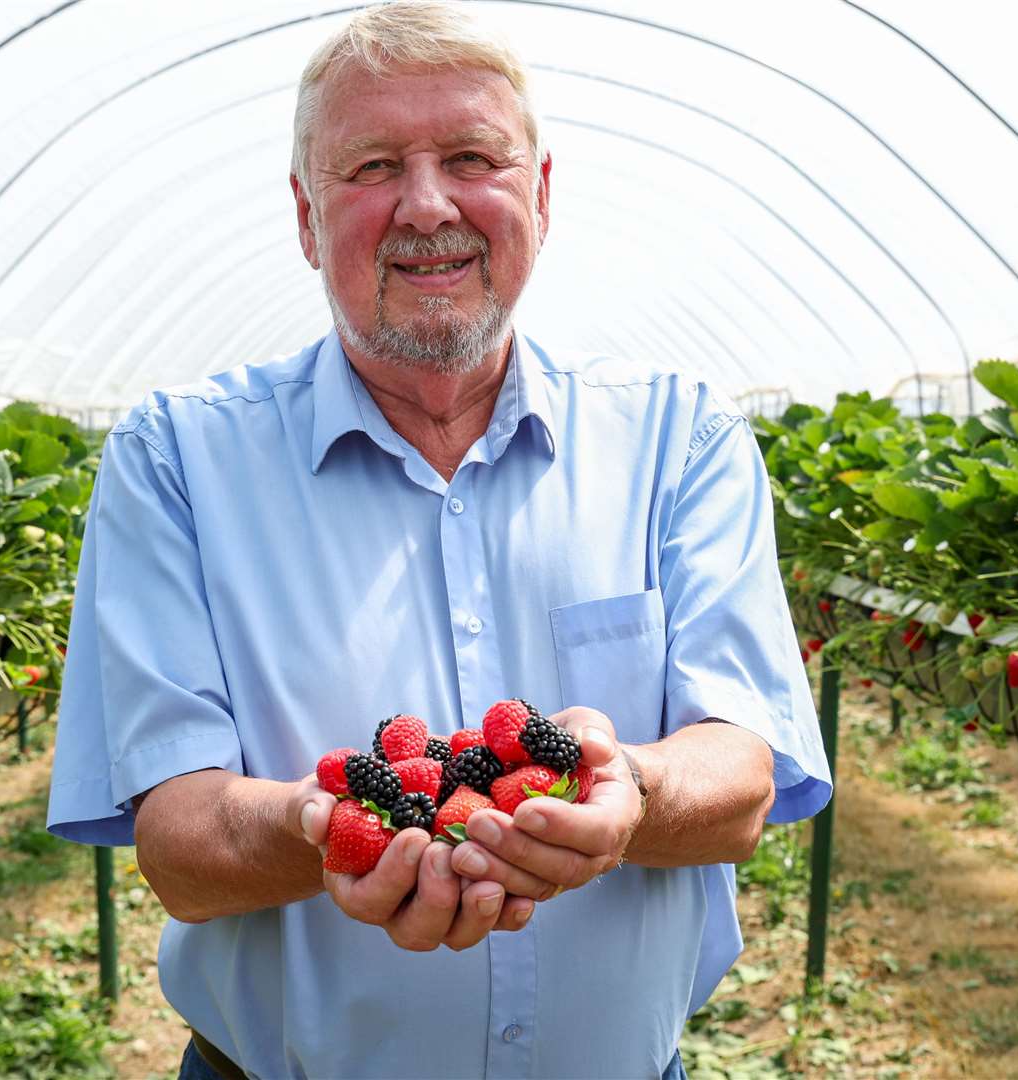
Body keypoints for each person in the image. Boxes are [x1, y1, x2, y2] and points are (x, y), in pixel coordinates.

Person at [46, 3, 831, 1076]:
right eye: (371, 165)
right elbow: (180, 847)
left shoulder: (677, 438)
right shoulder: (178, 458)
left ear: (540, 196)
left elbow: (738, 778)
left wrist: (625, 789)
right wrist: (336, 825)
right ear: (305, 215)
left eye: (471, 157)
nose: (426, 206)